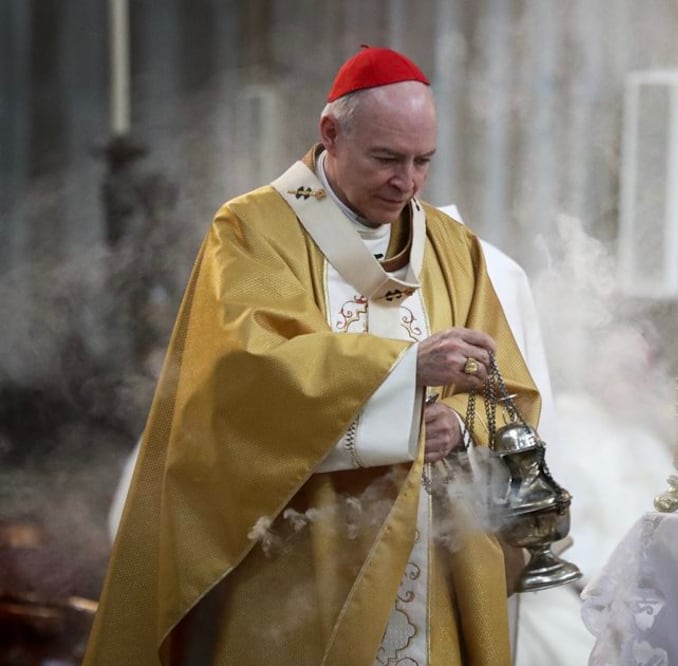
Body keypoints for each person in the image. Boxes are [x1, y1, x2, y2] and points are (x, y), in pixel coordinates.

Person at [84, 45, 540, 665]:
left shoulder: (455, 249)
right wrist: (406, 377)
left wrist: (458, 423)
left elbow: (509, 390)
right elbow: (242, 382)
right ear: (331, 134)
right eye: (386, 158)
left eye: (422, 162)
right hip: (300, 563)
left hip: (435, 563)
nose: (406, 182)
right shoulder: (251, 231)